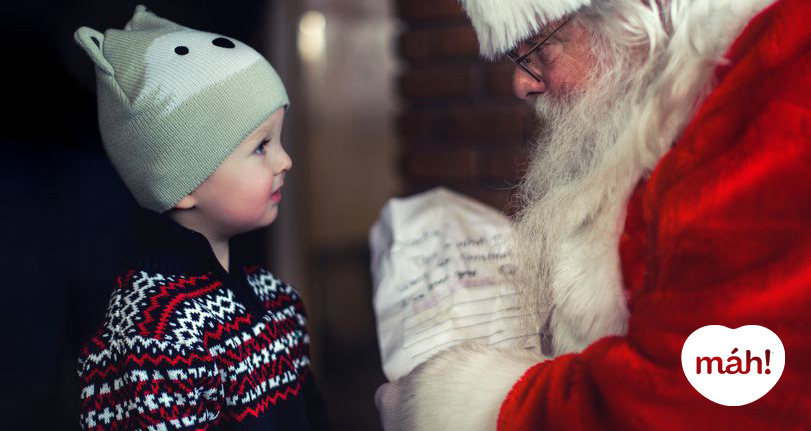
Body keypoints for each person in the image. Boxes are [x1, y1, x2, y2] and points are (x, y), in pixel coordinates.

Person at [375, 0, 811, 429]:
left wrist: (471, 403)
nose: (521, 84)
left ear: (636, 12)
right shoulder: (695, 100)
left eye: (537, 46)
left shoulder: (781, 85)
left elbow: (706, 398)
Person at [74, 5, 326, 430]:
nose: (285, 160)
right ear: (183, 182)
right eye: (261, 146)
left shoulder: (277, 300)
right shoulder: (155, 335)